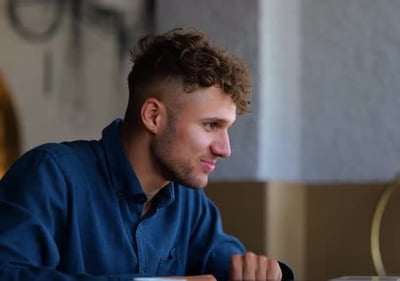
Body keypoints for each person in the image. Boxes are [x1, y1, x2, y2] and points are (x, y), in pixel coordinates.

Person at [0, 28, 293, 281]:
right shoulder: (49, 174)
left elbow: (230, 268)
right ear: (153, 116)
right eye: (210, 125)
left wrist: (265, 272)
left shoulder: (189, 204)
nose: (224, 149)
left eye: (226, 128)